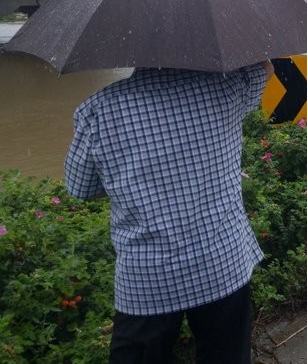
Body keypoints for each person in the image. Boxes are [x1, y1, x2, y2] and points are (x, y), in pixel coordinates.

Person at [65, 61, 274, 364]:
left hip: (147, 278)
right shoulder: (225, 88)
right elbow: (265, 67)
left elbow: (80, 188)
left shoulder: (99, 110)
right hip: (221, 264)